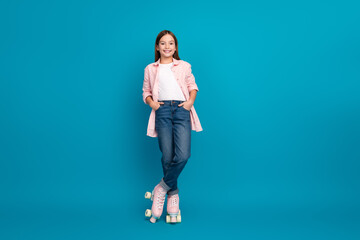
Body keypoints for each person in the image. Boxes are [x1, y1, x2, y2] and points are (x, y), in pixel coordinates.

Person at [142, 30, 203, 223]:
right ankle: (173, 195)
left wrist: (189, 102)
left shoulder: (184, 66)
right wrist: (152, 103)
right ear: (157, 47)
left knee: (183, 154)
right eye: (163, 43)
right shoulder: (150, 68)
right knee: (168, 156)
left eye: (170, 43)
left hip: (181, 109)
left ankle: (161, 188)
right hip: (162, 111)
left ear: (175, 47)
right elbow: (146, 91)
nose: (167, 46)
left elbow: (192, 86)